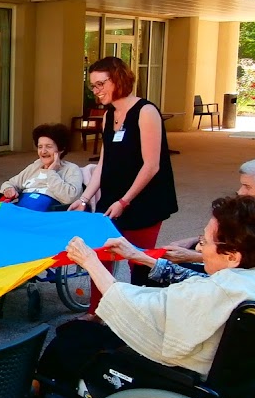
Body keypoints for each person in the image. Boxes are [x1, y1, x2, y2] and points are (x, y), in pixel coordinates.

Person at [37, 195, 255, 384]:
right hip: (227, 370)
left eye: (205, 241)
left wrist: (90, 262)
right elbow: (202, 286)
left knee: (71, 337)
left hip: (180, 370)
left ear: (233, 256)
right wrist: (140, 257)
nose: (198, 249)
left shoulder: (220, 292)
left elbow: (129, 303)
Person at [70, 57, 177, 318]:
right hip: (113, 197)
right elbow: (104, 162)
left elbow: (151, 166)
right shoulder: (109, 115)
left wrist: (125, 201)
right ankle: (97, 311)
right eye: (93, 86)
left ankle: (139, 316)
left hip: (145, 200)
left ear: (118, 79)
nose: (96, 91)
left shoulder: (146, 111)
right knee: (100, 256)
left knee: (137, 261)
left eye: (100, 84)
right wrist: (84, 198)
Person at [0, 123, 83, 211]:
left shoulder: (71, 169)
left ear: (61, 149)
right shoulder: (35, 166)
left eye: (48, 146)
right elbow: (10, 183)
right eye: (40, 147)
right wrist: (8, 189)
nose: (43, 151)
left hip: (45, 215)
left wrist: (51, 172)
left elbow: (71, 197)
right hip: (22, 209)